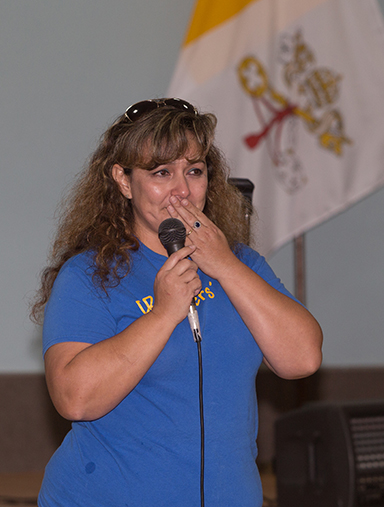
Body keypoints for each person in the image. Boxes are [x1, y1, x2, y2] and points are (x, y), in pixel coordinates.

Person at [31, 97, 323, 507]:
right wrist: (164, 312)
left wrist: (225, 266)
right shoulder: (89, 275)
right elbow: (74, 398)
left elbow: (303, 359)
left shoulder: (241, 263)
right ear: (123, 179)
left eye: (195, 171)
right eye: (161, 172)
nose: (182, 190)